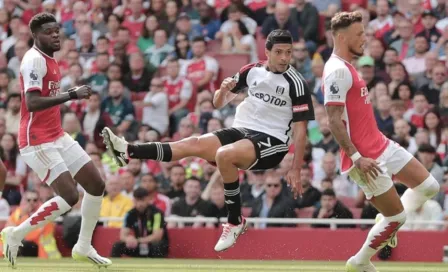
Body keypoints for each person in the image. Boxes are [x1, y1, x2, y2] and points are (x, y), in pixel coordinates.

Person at [101, 29, 314, 252]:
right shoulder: (252, 71)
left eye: (288, 53)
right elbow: (218, 103)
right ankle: (128, 150)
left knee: (225, 154)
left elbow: (301, 132)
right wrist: (222, 92)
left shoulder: (296, 84)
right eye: (279, 52)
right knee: (191, 144)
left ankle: (234, 221)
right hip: (242, 129)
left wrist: (296, 167)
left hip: (273, 140)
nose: (284, 58)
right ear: (267, 52)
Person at [323, 12, 440, 272]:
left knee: (429, 186)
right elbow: (332, 121)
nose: (365, 38)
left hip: (381, 144)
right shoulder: (337, 71)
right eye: (359, 34)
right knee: (397, 216)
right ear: (342, 37)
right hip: (364, 157)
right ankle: (359, 262)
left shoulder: (349, 65)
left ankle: (385, 222)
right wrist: (356, 158)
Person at [0, 13, 111, 268]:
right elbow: (32, 102)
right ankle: (16, 233)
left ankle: (83, 246)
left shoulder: (50, 58)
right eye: (49, 31)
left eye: (57, 30)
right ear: (35, 35)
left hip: (57, 134)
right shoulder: (33, 60)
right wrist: (71, 94)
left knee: (96, 184)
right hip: (36, 140)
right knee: (70, 196)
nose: (55, 35)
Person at [111, 187, 169, 258]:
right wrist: (128, 239)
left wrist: (138, 240)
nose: (140, 204)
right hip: (137, 245)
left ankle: (157, 268)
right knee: (117, 246)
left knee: (157, 246)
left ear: (148, 199)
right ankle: (113, 267)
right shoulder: (130, 214)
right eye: (137, 200)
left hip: (152, 245)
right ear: (133, 200)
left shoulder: (156, 213)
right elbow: (122, 235)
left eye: (142, 200)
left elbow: (157, 237)